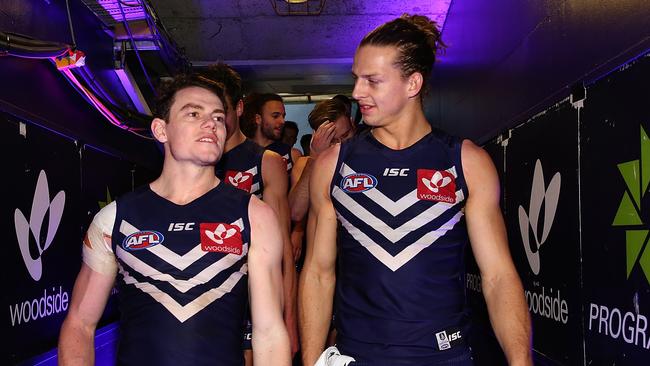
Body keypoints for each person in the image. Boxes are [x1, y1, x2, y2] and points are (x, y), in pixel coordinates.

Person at [299, 14, 532, 366]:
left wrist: (521, 362)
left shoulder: (466, 161)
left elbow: (498, 276)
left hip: (444, 357)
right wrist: (312, 360)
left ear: (412, 84)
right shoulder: (333, 165)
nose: (357, 92)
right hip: (358, 357)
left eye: (372, 81)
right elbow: (318, 273)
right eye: (356, 79)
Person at [58, 74, 290, 365]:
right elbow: (80, 323)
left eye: (218, 117)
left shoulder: (255, 215)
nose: (212, 124)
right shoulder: (114, 219)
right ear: (161, 129)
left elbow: (269, 332)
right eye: (194, 113)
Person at [198, 64, 299, 363]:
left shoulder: (265, 162)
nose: (212, 120)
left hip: (253, 298)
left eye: (220, 110)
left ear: (239, 108)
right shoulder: (193, 160)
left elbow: (283, 253)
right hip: (203, 298)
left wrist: (289, 320)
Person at [244, 93, 294, 176]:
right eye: (275, 116)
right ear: (258, 119)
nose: (282, 121)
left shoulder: (292, 155)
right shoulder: (238, 155)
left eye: (283, 116)